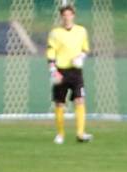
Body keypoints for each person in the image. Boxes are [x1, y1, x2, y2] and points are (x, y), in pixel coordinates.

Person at [47, 4, 92, 144]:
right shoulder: (55, 33)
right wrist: (53, 70)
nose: (67, 17)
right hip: (61, 71)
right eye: (64, 15)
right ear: (61, 17)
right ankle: (60, 134)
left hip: (76, 72)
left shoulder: (81, 31)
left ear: (73, 15)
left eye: (69, 14)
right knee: (59, 104)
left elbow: (85, 49)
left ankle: (80, 133)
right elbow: (51, 51)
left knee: (80, 100)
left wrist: (81, 57)